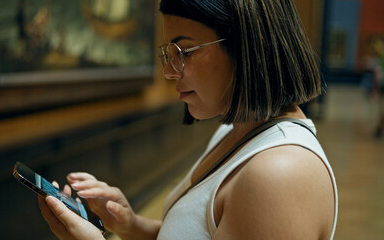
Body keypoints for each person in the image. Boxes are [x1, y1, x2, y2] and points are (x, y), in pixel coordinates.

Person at [38, 0, 338, 239]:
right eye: (169, 52)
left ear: (246, 45)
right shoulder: (237, 129)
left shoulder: (279, 176)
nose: (170, 71)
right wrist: (130, 225)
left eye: (184, 51)